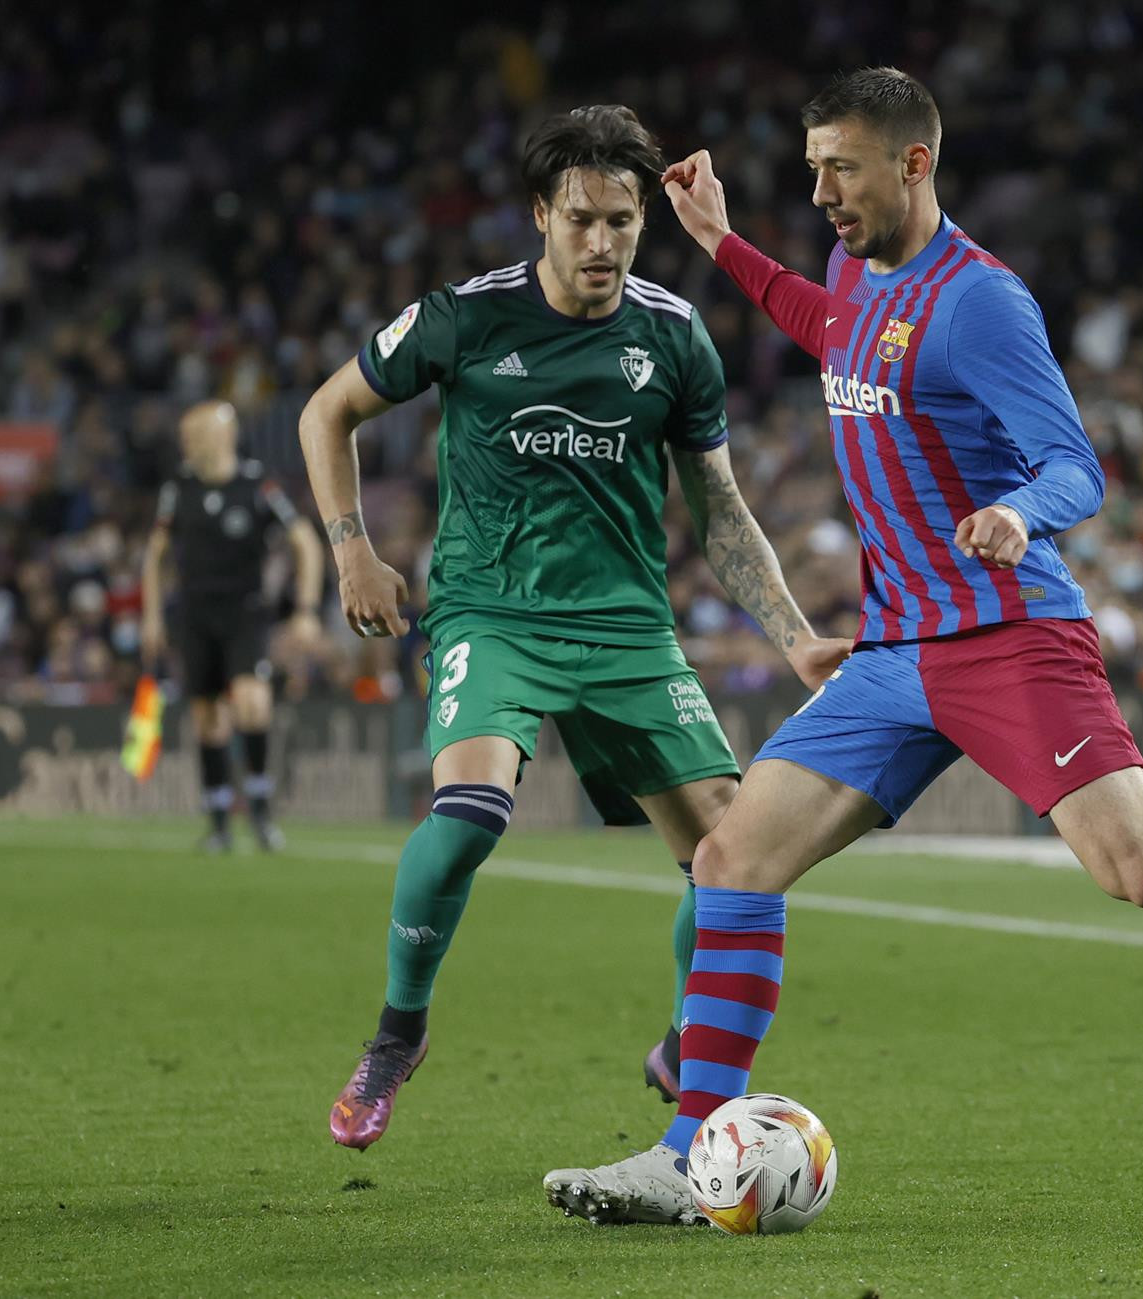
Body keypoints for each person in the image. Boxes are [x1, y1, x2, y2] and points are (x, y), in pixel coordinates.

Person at [542, 67, 1143, 1226]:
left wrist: (1020, 514)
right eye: (811, 170)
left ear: (913, 163)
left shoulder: (983, 302)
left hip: (1009, 633)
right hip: (897, 648)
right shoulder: (856, 265)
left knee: (1142, 872)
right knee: (731, 864)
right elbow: (833, 328)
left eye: (839, 168)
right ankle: (685, 1148)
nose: (822, 193)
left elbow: (1075, 464)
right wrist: (726, 245)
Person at [298, 105, 848, 1152]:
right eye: (583, 219)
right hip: (492, 609)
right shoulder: (465, 317)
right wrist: (350, 548)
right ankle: (398, 1033)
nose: (602, 244)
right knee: (469, 811)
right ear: (541, 213)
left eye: (623, 222)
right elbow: (327, 413)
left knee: (735, 850)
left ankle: (694, 1045)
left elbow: (722, 513)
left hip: (628, 626)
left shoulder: (675, 337)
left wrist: (795, 636)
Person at [141, 400, 323, 852]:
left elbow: (305, 542)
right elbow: (155, 555)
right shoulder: (177, 488)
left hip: (244, 612)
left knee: (252, 703)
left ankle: (260, 809)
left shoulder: (258, 485)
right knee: (207, 718)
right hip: (194, 614)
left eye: (192, 434)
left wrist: (306, 609)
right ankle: (219, 821)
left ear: (221, 435)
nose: (185, 444)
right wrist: (151, 616)